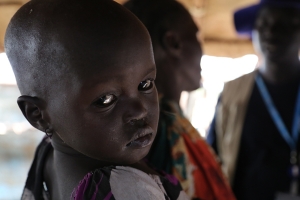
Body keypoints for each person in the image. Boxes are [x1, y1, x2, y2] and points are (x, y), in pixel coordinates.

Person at [5, 0, 189, 199]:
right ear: (38, 115)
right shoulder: (127, 190)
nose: (139, 110)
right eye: (106, 99)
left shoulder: (48, 154)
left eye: (145, 84)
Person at [124, 1, 236, 199]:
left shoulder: (166, 119)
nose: (201, 47)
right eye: (196, 36)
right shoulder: (150, 131)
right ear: (173, 43)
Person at [207, 0, 300, 199]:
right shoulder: (233, 92)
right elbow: (213, 158)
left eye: (282, 25)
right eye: (262, 24)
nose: (270, 32)